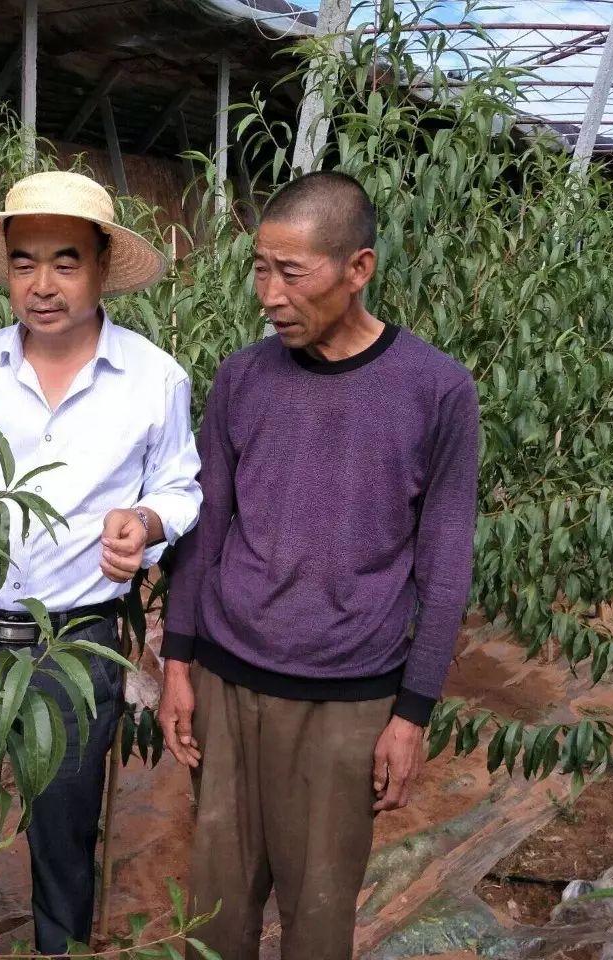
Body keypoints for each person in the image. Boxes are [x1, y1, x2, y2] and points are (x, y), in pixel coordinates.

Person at [0, 170, 203, 956]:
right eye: (25, 262)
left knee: (64, 821)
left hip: (76, 642)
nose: (43, 284)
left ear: (100, 267)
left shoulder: (155, 380)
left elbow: (180, 483)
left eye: (65, 261)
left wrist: (148, 520)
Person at [160, 171, 480, 960]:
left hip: (348, 701)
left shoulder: (436, 391)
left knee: (319, 917)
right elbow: (206, 527)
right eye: (260, 268)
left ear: (358, 268)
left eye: (291, 273)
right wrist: (178, 660)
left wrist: (412, 713)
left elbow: (444, 563)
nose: (268, 293)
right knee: (216, 915)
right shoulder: (242, 378)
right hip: (229, 683)